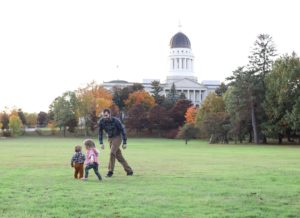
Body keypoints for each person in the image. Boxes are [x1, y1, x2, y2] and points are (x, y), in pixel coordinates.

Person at [98, 108, 133, 177]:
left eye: (106, 115)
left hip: (117, 137)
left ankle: (110, 171)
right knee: (118, 156)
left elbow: (123, 131)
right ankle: (129, 171)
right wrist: (101, 142)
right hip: (110, 138)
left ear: (109, 114)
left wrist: (124, 142)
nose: (105, 117)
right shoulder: (101, 121)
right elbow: (100, 132)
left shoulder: (116, 120)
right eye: (104, 115)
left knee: (112, 153)